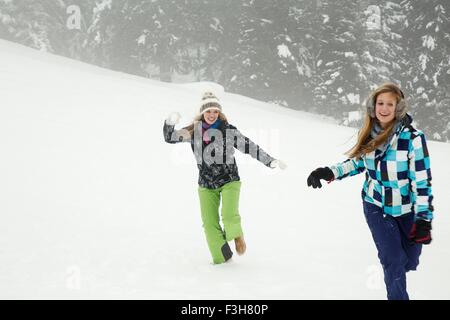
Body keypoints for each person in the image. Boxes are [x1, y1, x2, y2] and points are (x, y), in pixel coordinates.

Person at [307, 83, 434, 300]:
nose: (383, 109)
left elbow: (422, 182)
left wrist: (423, 219)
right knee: (392, 259)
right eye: (380, 103)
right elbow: (357, 163)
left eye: (389, 104)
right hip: (376, 205)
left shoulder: (412, 138)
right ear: (373, 106)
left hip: (406, 208)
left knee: (409, 260)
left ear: (399, 108)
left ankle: (398, 268)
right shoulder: (369, 134)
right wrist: (328, 172)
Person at [163, 91, 286, 264]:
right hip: (206, 184)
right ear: (202, 113)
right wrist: (169, 123)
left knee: (228, 215)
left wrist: (270, 161)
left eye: (215, 111)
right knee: (209, 223)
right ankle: (222, 257)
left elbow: (249, 146)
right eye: (208, 111)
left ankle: (236, 235)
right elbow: (170, 138)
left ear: (219, 113)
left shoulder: (228, 130)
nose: (212, 115)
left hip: (229, 180)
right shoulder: (193, 131)